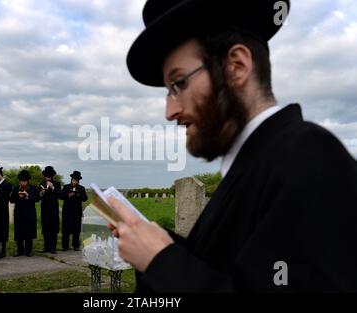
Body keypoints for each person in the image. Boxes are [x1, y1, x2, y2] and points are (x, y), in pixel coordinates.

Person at [108, 0, 357, 292]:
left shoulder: (312, 157)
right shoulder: (254, 164)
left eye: (178, 84)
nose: (170, 111)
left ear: (236, 66)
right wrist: (155, 241)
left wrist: (161, 260)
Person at [10, 170, 40, 257]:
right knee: (19, 232)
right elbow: (11, 200)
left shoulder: (33, 188)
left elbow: (37, 199)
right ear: (19, 180)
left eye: (25, 181)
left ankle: (28, 250)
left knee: (29, 232)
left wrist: (27, 195)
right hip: (19, 213)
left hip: (29, 213)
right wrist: (18, 197)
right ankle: (20, 250)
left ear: (27, 181)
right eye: (22, 181)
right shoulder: (16, 188)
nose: (23, 182)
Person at [61, 171, 88, 251]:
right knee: (65, 229)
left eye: (76, 180)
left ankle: (75, 245)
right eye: (73, 180)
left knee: (76, 229)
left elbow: (85, 198)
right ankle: (65, 246)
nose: (74, 182)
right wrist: (68, 195)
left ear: (78, 181)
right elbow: (61, 196)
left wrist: (78, 194)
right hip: (67, 211)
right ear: (71, 179)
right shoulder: (66, 187)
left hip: (77, 212)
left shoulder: (81, 188)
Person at [39, 166, 62, 254]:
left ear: (52, 176)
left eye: (49, 176)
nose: (47, 178)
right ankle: (46, 247)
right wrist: (42, 192)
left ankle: (53, 247)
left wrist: (53, 188)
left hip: (53, 209)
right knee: (46, 227)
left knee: (53, 228)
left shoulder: (57, 184)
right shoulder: (41, 184)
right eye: (46, 176)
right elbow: (38, 196)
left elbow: (60, 195)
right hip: (44, 208)